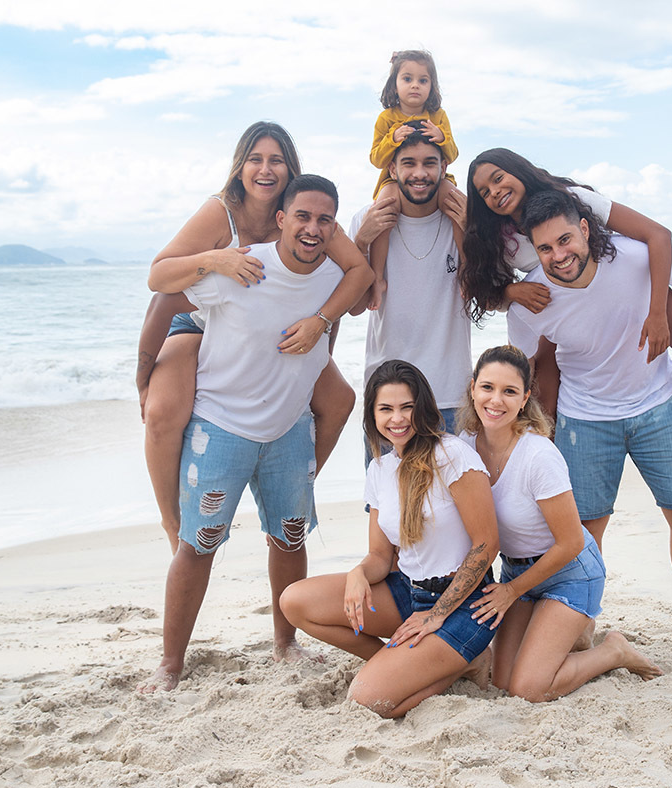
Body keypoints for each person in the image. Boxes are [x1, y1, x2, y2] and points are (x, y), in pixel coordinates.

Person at [139, 176, 366, 692]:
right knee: (198, 547)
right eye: (302, 217)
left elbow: (363, 272)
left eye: (324, 220)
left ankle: (286, 645)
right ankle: (171, 663)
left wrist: (321, 321)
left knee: (288, 538)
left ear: (333, 229)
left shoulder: (333, 272)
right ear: (281, 218)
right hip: (221, 428)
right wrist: (145, 367)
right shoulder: (245, 266)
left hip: (288, 431)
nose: (312, 228)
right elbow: (165, 299)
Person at [461, 148, 672, 484]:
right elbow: (482, 290)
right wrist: (511, 291)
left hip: (621, 284)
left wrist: (657, 314)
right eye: (484, 192)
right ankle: (541, 470)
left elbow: (661, 239)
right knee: (543, 382)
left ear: (517, 170)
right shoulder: (499, 239)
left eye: (498, 178)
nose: (495, 192)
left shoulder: (572, 198)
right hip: (564, 311)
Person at [136, 122, 373, 553]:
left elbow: (357, 274)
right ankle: (173, 522)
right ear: (240, 166)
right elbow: (159, 279)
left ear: (290, 170)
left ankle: (284, 488)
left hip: (276, 334)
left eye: (276, 160)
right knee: (162, 412)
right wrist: (213, 259)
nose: (266, 169)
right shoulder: (221, 211)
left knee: (340, 400)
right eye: (256, 159)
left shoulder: (311, 217)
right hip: (201, 325)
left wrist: (320, 328)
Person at [506, 190, 672, 654]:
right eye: (545, 249)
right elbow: (537, 364)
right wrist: (541, 430)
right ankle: (581, 626)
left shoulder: (633, 258)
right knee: (582, 534)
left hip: (658, 405)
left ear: (584, 228)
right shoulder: (532, 298)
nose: (559, 255)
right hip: (585, 419)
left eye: (565, 240)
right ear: (533, 253)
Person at [280, 360, 499, 718]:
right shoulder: (380, 469)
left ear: (423, 408)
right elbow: (381, 556)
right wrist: (357, 574)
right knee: (294, 601)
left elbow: (487, 544)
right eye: (386, 409)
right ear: (373, 415)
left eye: (406, 408)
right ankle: (398, 661)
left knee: (367, 699)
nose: (397, 419)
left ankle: (462, 662)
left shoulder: (452, 455)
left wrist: (437, 615)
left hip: (464, 604)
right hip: (408, 594)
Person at [458, 345, 663, 700]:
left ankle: (613, 651)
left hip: (569, 571)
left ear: (524, 399)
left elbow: (569, 544)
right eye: (488, 387)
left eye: (509, 391)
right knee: (503, 681)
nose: (496, 400)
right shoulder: (464, 447)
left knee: (530, 688)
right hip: (516, 572)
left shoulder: (539, 456)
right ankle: (566, 635)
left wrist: (510, 592)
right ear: (473, 388)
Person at [348, 130, 471, 437]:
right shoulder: (368, 219)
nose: (419, 173)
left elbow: (485, 297)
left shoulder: (462, 220)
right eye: (409, 163)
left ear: (444, 168)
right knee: (387, 487)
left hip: (450, 397)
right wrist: (362, 240)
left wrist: (474, 235)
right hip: (387, 398)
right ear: (392, 169)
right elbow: (354, 307)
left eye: (429, 163)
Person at [366, 49, 464, 312]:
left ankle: (466, 267)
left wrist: (441, 136)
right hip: (393, 179)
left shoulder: (439, 116)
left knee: (459, 205)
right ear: (394, 84)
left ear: (432, 86)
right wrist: (392, 138)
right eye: (407, 78)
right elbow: (376, 159)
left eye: (423, 80)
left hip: (438, 178)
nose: (415, 86)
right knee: (383, 211)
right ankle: (376, 276)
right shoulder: (386, 118)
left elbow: (452, 154)